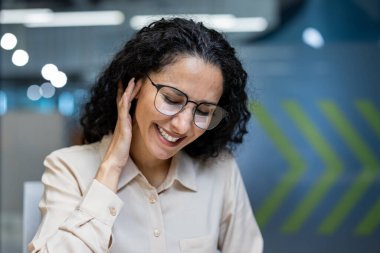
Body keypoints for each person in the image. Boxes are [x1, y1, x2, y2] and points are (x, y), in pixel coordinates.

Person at [28, 18, 263, 253]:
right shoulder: (68, 168)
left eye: (203, 111)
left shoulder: (220, 172)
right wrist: (110, 169)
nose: (182, 126)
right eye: (171, 100)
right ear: (133, 88)